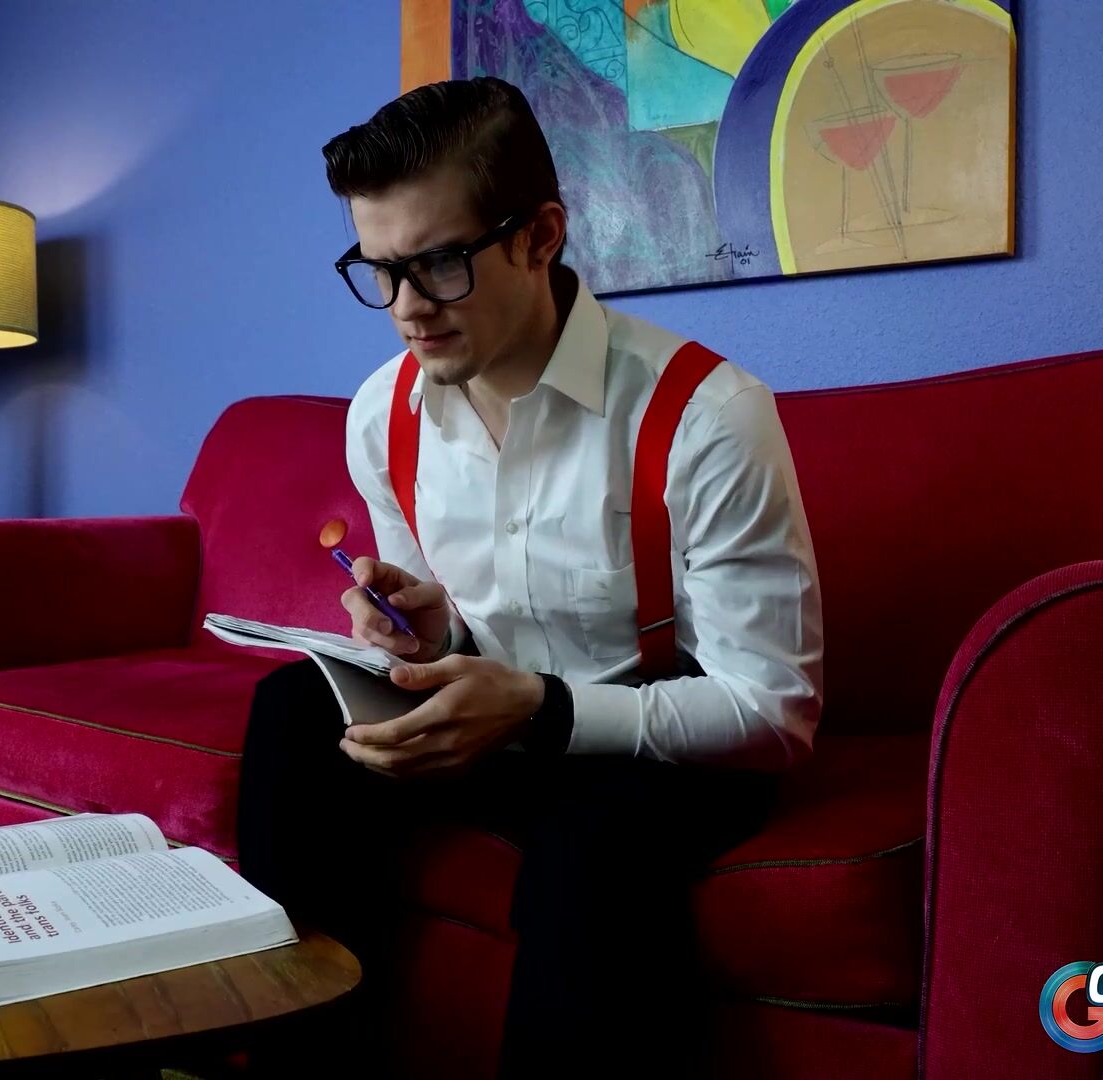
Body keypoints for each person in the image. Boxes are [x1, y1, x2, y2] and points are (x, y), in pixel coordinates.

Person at [236, 77, 823, 1078]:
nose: (407, 310)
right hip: (495, 725)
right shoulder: (383, 415)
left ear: (541, 236)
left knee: (596, 846)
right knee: (292, 716)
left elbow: (773, 713)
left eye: (440, 264)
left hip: (655, 740)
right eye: (381, 270)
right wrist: (432, 636)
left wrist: (544, 712)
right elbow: (459, 635)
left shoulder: (706, 416)